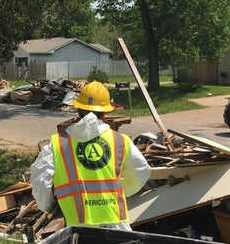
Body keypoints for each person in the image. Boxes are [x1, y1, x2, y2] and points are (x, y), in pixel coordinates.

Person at [30, 81, 150, 229]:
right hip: (115, 223)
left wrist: (48, 206)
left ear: (79, 109)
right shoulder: (120, 141)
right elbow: (141, 171)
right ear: (105, 112)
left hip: (78, 229)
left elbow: (40, 180)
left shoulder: (57, 145)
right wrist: (121, 192)